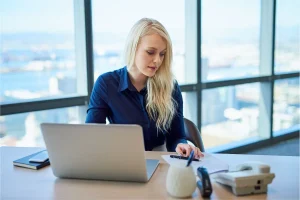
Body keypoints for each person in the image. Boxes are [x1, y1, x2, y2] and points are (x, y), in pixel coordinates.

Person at [86, 18, 203, 159]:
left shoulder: (170, 86)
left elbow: (176, 137)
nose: (158, 60)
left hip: (161, 160)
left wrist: (181, 145)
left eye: (162, 54)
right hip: (122, 161)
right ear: (133, 48)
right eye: (150, 52)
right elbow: (91, 137)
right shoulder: (106, 84)